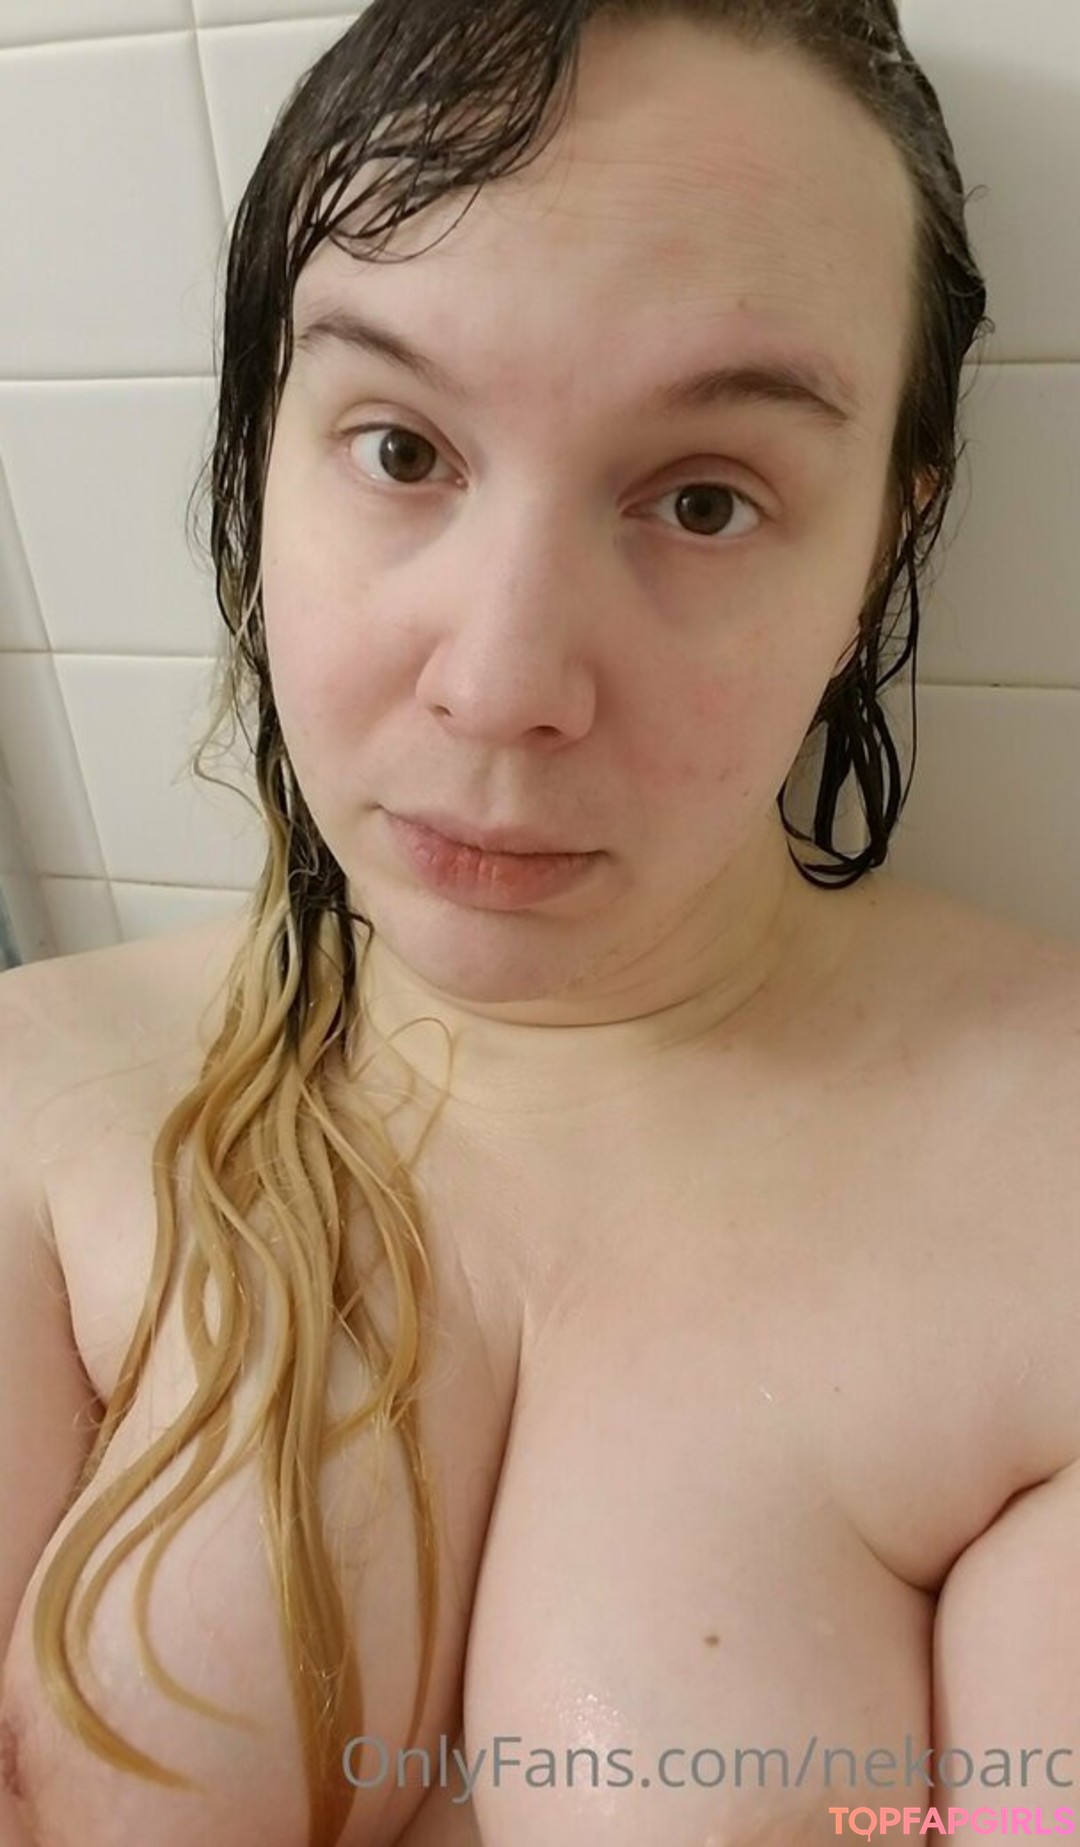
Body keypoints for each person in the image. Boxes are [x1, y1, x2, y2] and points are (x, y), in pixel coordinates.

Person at [2, 0, 1079, 1842]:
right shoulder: (36, 1107)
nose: (502, 686)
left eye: (706, 499)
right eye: (400, 450)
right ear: (262, 451)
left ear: (884, 544)